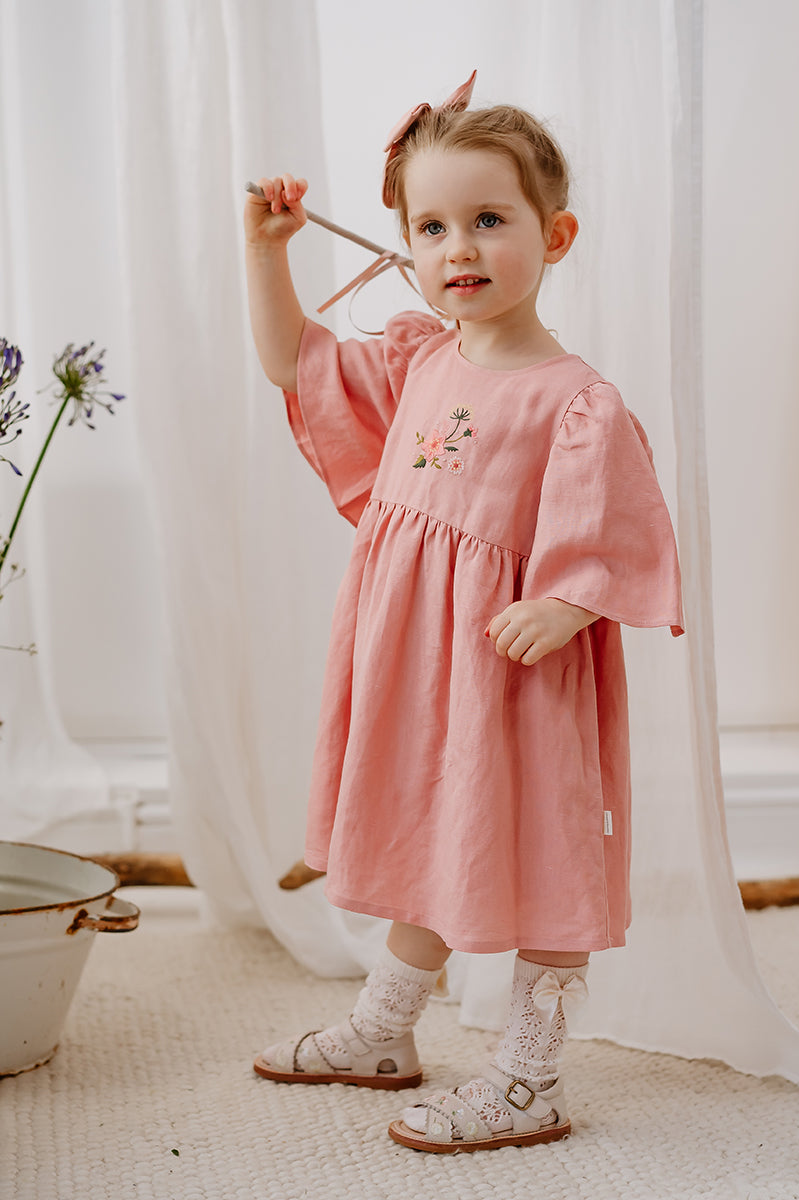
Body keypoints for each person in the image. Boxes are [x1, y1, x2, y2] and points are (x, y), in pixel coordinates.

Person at [243, 71, 683, 1153]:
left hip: (513, 672)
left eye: (489, 220)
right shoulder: (419, 358)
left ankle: (531, 1076)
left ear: (555, 235)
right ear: (405, 244)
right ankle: (385, 1027)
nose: (459, 249)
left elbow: (616, 529)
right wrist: (267, 252)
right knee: (431, 827)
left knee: (542, 849)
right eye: (432, 227)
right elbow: (295, 366)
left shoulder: (575, 401)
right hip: (415, 660)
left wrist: (567, 602)